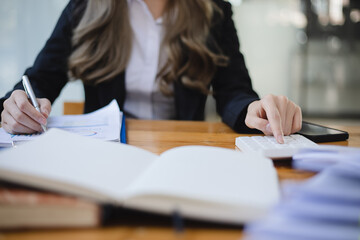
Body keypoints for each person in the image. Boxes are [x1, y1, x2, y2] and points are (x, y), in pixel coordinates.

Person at [0, 0, 302, 144]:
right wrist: (16, 106)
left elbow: (234, 90)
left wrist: (253, 109)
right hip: (104, 152)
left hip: (183, 151)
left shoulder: (214, 11)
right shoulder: (85, 7)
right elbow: (38, 80)